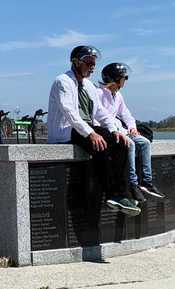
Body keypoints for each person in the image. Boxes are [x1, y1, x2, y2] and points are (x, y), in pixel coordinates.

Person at [46, 45, 140, 216]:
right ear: (76, 63)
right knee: (99, 145)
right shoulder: (62, 81)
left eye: (94, 64)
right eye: (89, 63)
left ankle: (123, 194)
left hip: (87, 126)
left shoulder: (89, 86)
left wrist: (113, 130)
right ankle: (111, 194)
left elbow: (100, 111)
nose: (92, 67)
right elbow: (69, 112)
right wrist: (91, 133)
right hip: (67, 129)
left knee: (121, 143)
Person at [98, 62, 165, 203]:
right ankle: (133, 183)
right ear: (115, 78)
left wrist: (132, 127)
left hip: (120, 129)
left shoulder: (118, 95)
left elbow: (126, 114)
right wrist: (114, 130)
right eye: (124, 77)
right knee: (130, 144)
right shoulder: (99, 94)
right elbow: (98, 117)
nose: (125, 79)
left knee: (144, 143)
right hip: (108, 131)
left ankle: (147, 181)